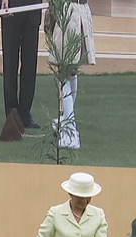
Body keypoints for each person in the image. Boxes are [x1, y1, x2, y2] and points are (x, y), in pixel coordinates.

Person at [44, 0, 96, 149]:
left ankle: (70, 130)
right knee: (70, 70)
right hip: (75, 9)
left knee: (65, 72)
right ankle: (67, 121)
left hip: (71, 11)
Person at [0, 0, 43, 129]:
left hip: (33, 9)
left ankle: (25, 113)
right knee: (10, 63)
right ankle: (11, 113)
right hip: (11, 8)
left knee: (30, 64)